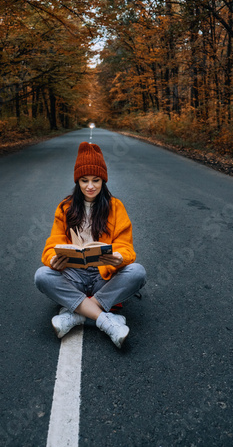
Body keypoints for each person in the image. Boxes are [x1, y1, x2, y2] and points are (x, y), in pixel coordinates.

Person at [34, 141, 146, 348]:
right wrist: (52, 259)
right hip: (73, 276)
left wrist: (119, 257)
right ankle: (106, 321)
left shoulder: (115, 206)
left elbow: (125, 245)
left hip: (104, 277)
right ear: (78, 181)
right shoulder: (65, 207)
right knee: (41, 275)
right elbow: (54, 242)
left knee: (137, 272)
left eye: (96, 180)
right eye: (84, 180)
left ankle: (77, 315)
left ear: (103, 180)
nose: (90, 186)